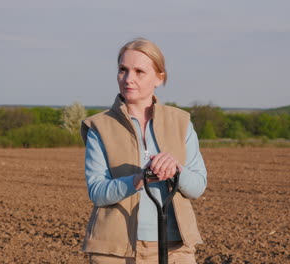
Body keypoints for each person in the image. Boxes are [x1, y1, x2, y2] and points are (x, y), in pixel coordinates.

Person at [80, 38, 207, 264]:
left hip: (176, 249)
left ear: (160, 78)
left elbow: (197, 187)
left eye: (139, 71)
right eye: (123, 70)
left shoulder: (181, 122)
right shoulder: (99, 126)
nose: (128, 79)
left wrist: (176, 169)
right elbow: (97, 192)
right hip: (115, 252)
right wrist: (138, 179)